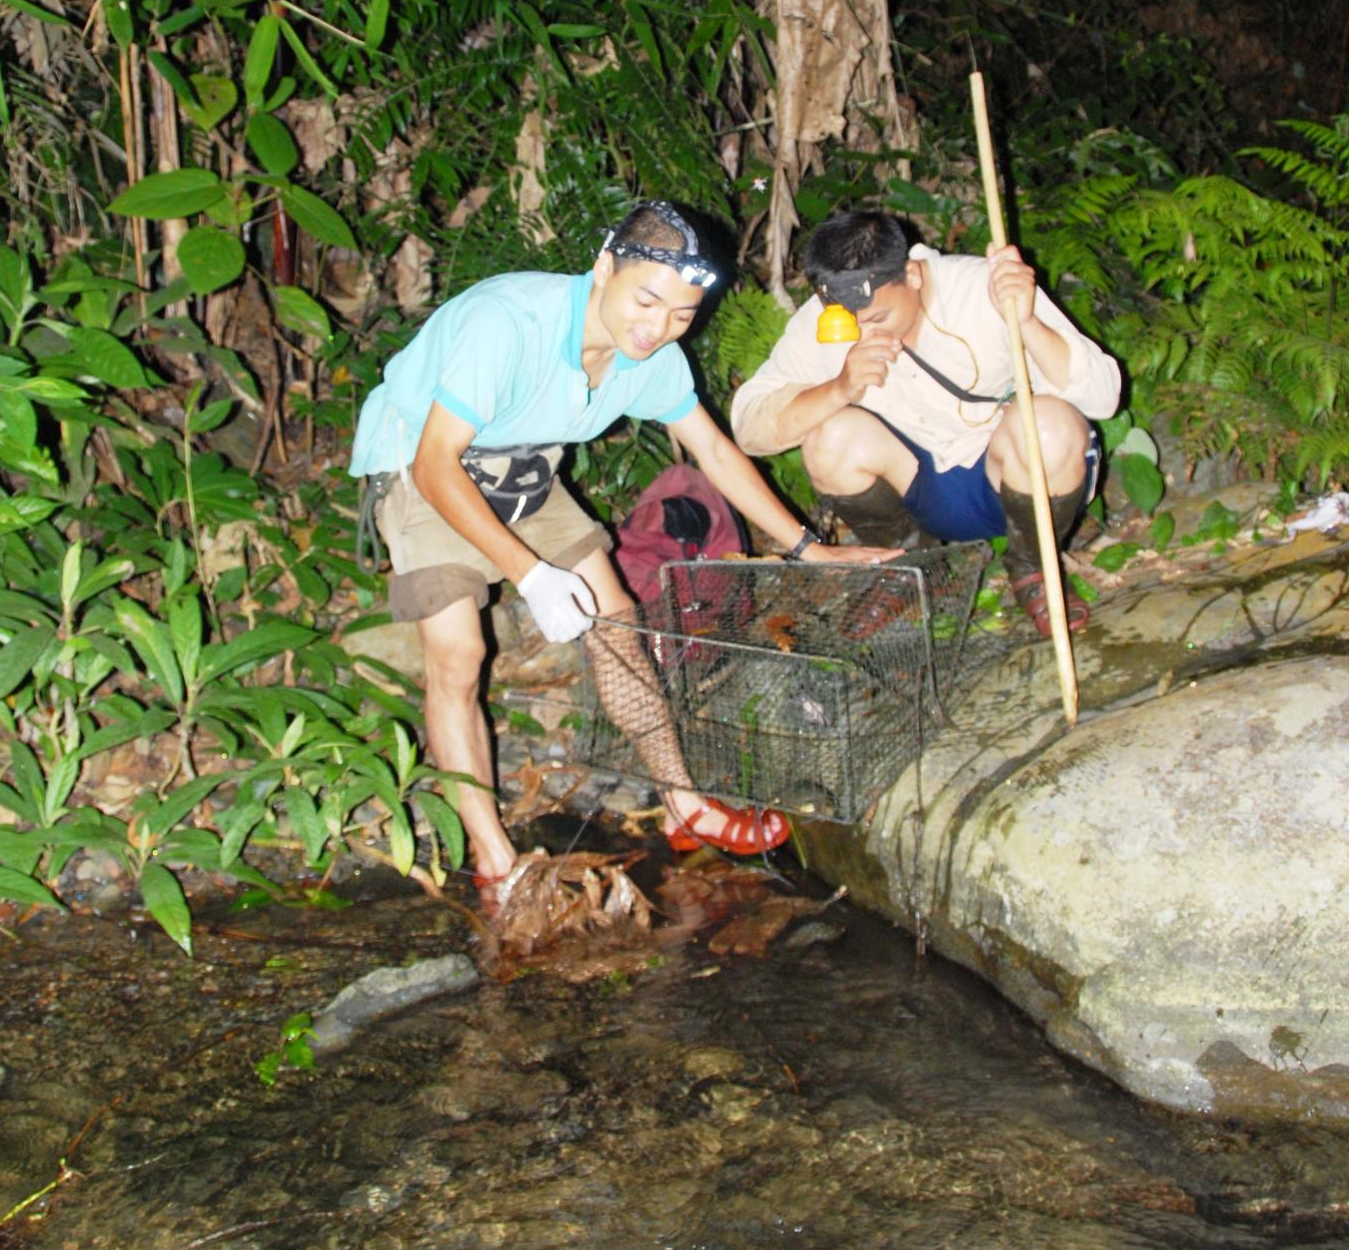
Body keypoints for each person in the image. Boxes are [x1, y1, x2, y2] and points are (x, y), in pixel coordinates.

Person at [349, 201, 891, 903]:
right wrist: (531, 574)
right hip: (422, 459)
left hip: (522, 463)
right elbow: (435, 466)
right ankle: (493, 857)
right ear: (604, 267)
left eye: (681, 314)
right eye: (646, 299)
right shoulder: (508, 325)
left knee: (617, 619)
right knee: (459, 651)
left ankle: (683, 802)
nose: (658, 326)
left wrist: (808, 551)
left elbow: (717, 452)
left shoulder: (651, 357)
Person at [730, 210, 1122, 634]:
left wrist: (1025, 322)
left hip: (1010, 476)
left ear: (913, 275)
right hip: (921, 484)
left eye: (877, 319)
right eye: (849, 324)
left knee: (1049, 424)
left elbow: (1103, 397)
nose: (863, 333)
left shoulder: (981, 288)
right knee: (830, 437)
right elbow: (749, 429)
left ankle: (1033, 570)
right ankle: (910, 568)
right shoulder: (824, 322)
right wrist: (839, 388)